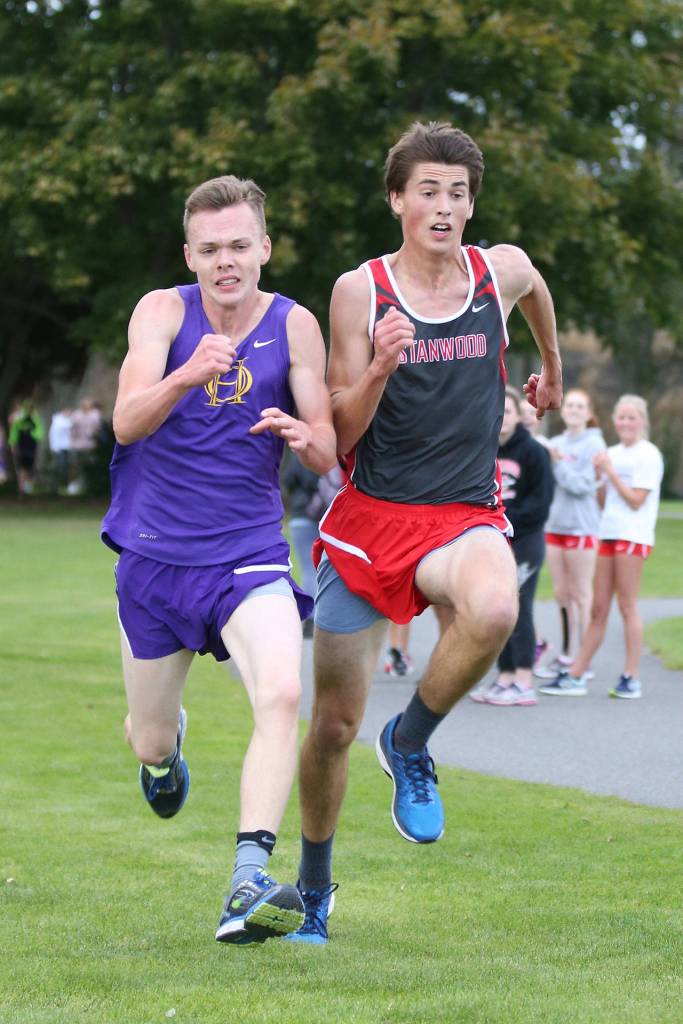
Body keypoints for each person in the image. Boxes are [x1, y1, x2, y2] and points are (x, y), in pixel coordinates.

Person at [286, 121, 562, 944]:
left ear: (471, 204)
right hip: (370, 520)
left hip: (462, 512)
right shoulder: (358, 291)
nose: (444, 207)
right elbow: (335, 431)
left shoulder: (496, 270)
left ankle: (410, 743)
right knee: (333, 725)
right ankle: (312, 889)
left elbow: (537, 284)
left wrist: (552, 364)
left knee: (495, 611)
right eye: (428, 191)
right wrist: (377, 366)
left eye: (458, 193)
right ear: (397, 199)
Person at [100, 174, 336, 945]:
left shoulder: (295, 325)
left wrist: (306, 442)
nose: (226, 261)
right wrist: (185, 373)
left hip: (248, 553)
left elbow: (327, 444)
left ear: (264, 248)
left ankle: (248, 876)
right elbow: (128, 423)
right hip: (156, 559)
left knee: (279, 692)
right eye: (210, 249)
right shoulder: (163, 312)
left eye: (239, 245)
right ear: (189, 255)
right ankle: (165, 756)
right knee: (149, 737)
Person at [540, 394, 663, 699]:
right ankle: (576, 674)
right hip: (606, 532)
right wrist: (601, 476)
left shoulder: (647, 454)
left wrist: (608, 473)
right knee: (597, 608)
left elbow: (636, 501)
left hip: (632, 535)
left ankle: (631, 676)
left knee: (627, 605)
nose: (625, 422)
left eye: (631, 417)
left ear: (643, 421)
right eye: (621, 417)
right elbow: (603, 501)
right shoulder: (611, 452)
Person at [471, 387, 554, 706]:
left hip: (525, 541)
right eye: (498, 410)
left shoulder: (533, 452)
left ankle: (523, 679)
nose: (502, 417)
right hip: (494, 542)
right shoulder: (484, 449)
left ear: (519, 416)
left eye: (508, 411)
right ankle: (504, 676)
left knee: (520, 607)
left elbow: (541, 504)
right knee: (498, 609)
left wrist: (504, 519)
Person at [534, 389, 606, 680]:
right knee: (562, 594)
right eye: (570, 405)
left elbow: (582, 485)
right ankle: (566, 654)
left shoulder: (594, 444)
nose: (574, 410)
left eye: (580, 406)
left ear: (588, 413)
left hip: (581, 528)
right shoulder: (556, 443)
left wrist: (558, 462)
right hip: (555, 527)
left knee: (581, 594)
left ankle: (583, 659)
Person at [282, 454, 343, 638]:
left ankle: (310, 616)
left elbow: (288, 480)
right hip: (327, 517)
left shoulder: (298, 454)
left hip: (301, 516)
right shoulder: (332, 451)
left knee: (308, 568)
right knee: (323, 569)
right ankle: (324, 616)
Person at [8, 399, 44, 495]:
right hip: (21, 446)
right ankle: (22, 487)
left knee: (29, 468)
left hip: (31, 446)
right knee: (22, 468)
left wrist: (32, 433)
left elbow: (39, 433)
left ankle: (26, 487)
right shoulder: (19, 418)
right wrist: (12, 443)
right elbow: (14, 432)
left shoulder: (35, 418)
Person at [48, 406, 73, 492]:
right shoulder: (58, 421)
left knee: (65, 467)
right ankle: (59, 485)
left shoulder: (65, 420)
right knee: (60, 467)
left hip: (66, 447)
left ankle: (64, 485)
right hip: (59, 448)